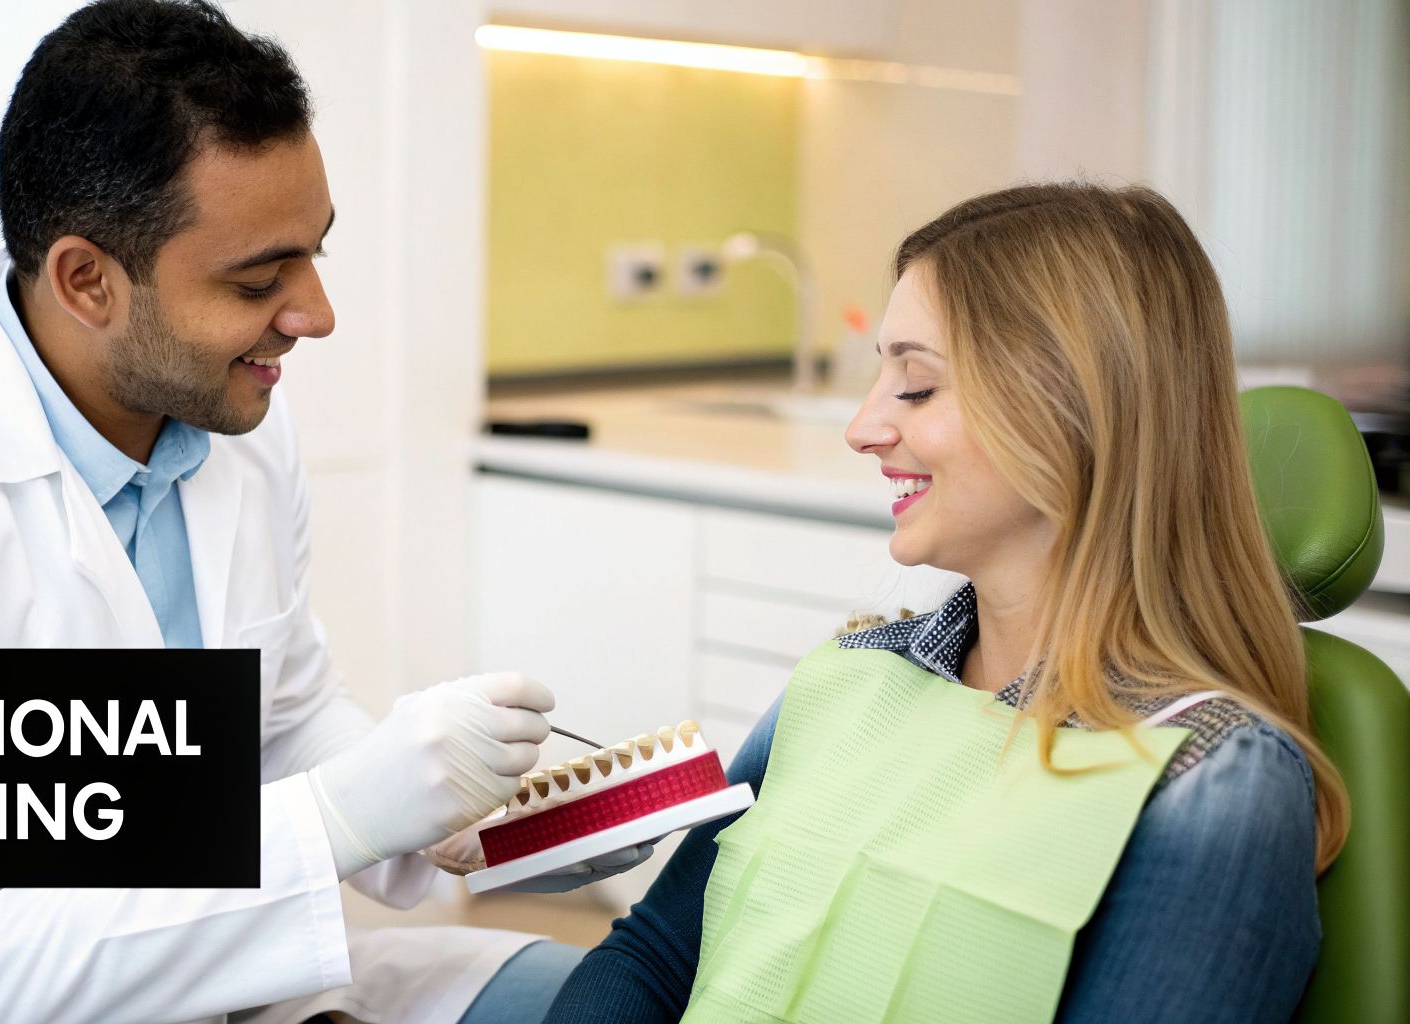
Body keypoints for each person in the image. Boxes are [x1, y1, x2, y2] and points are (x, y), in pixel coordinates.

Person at [0, 1, 633, 1021]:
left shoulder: (237, 432)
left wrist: (455, 819)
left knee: (603, 994)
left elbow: (279, 716)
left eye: (313, 252)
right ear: (86, 281)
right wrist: (336, 816)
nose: (315, 315)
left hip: (207, 993)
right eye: (256, 279)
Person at [544, 183, 1350, 1023]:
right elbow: (657, 954)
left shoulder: (1207, 780)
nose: (862, 428)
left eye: (917, 386)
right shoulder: (852, 675)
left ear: (1074, 409)